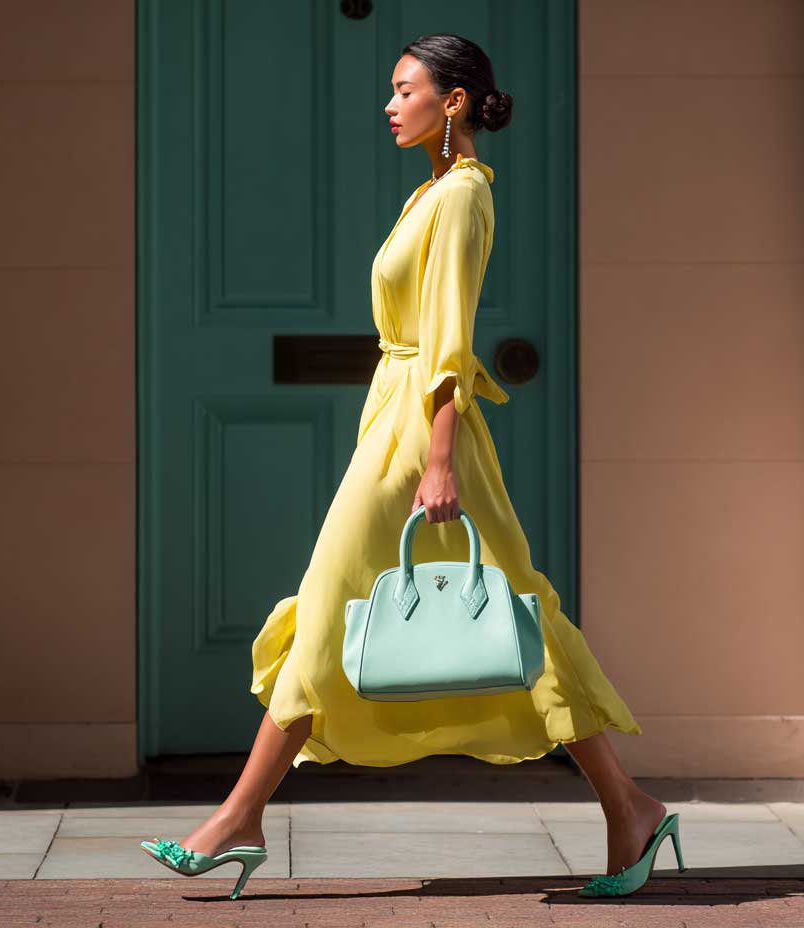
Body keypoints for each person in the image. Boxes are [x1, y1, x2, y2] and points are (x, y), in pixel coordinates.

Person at [141, 33, 684, 900]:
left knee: (346, 604)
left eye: (405, 89)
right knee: (511, 615)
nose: (389, 105)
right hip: (394, 418)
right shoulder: (430, 192)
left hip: (423, 432)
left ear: (455, 101)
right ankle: (630, 807)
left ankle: (240, 816)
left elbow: (450, 340)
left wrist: (439, 458)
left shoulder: (463, 196)